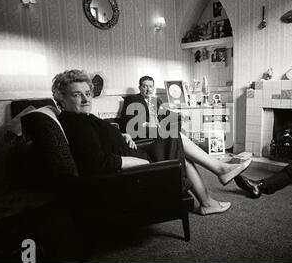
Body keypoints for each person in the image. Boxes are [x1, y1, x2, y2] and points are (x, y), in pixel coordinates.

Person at [52, 70, 252, 215]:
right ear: (61, 97)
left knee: (176, 139)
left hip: (135, 150)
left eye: (87, 93)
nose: (86, 99)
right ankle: (218, 174)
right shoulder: (77, 123)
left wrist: (120, 134)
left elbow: (99, 135)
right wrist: (137, 162)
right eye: (77, 95)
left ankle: (210, 196)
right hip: (136, 166)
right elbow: (96, 163)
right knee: (175, 137)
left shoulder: (81, 118)